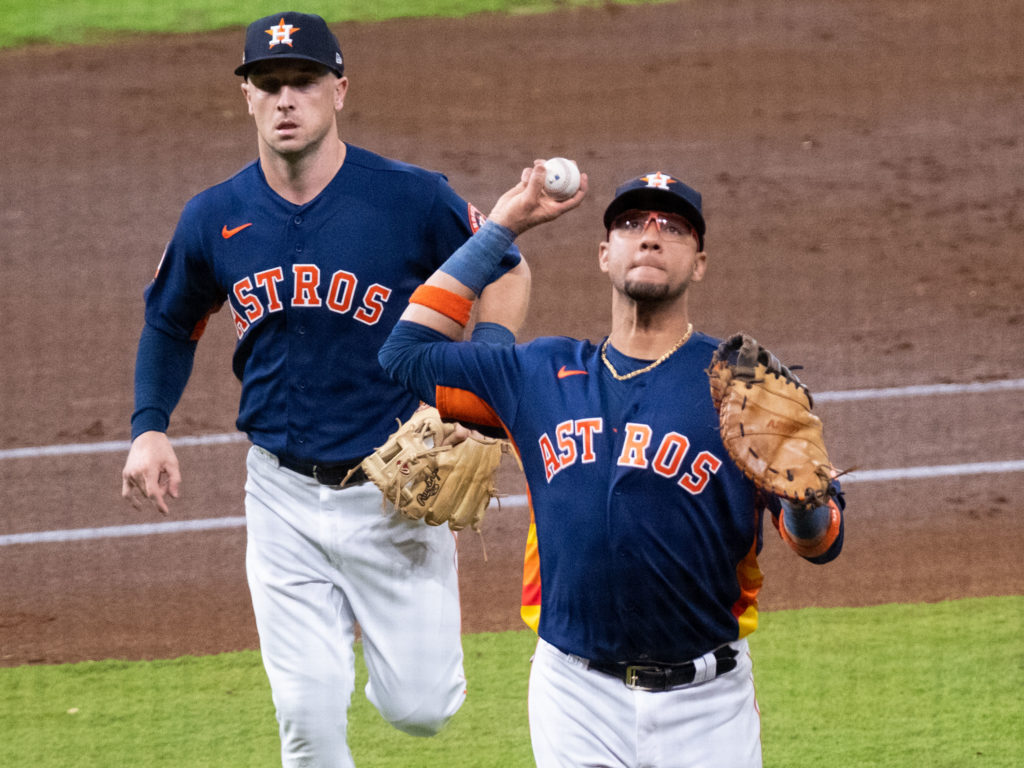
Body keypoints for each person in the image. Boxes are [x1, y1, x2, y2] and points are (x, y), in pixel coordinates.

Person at [119, 12, 527, 768]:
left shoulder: (410, 197)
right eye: (268, 82)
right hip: (281, 499)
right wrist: (150, 426)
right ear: (246, 95)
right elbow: (171, 322)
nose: (285, 99)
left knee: (421, 710)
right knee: (306, 720)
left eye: (303, 81)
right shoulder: (214, 216)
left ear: (338, 90)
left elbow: (505, 266)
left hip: (396, 490)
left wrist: (481, 373)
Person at [378, 161, 845, 767]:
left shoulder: (742, 384)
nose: (650, 237)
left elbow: (819, 544)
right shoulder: (537, 374)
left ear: (699, 263)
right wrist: (502, 228)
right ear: (604, 255)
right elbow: (404, 352)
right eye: (631, 225)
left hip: (708, 708)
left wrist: (803, 501)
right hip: (575, 699)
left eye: (673, 229)